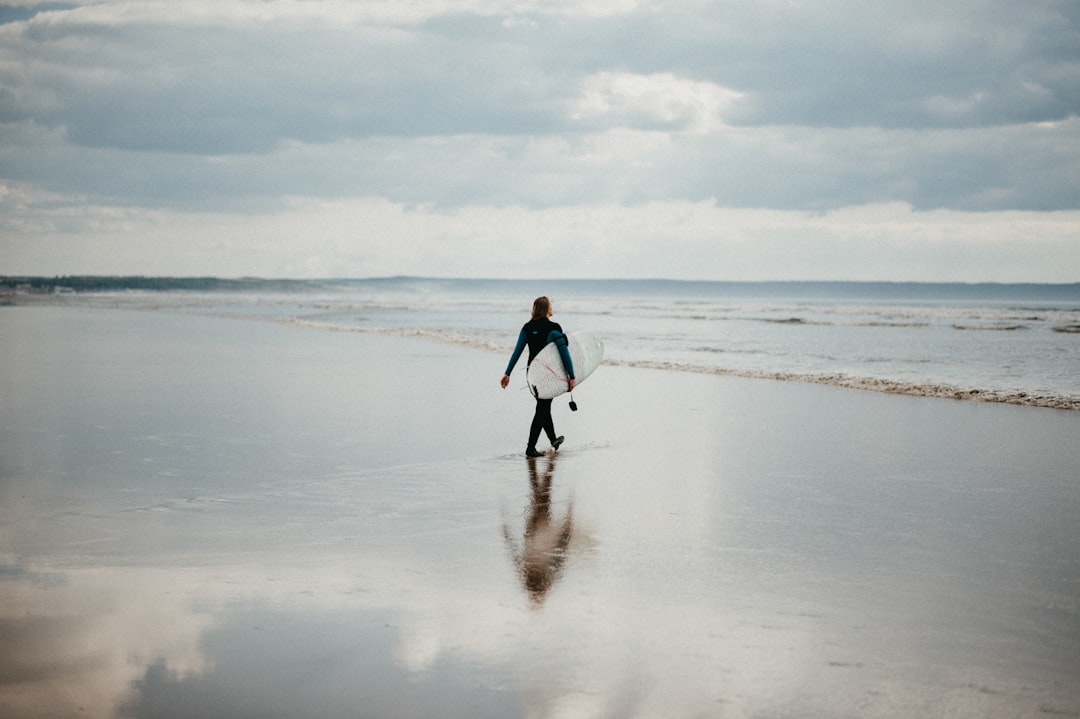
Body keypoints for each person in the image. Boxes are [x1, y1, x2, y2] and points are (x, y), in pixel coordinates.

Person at [500, 296, 576, 458]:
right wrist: (572, 375)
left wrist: (508, 373)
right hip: (547, 374)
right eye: (550, 305)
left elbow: (517, 351)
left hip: (532, 374)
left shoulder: (527, 328)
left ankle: (553, 439)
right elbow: (564, 352)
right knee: (542, 408)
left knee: (544, 406)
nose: (552, 307)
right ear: (547, 309)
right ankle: (530, 448)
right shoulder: (554, 328)